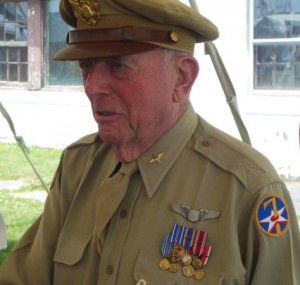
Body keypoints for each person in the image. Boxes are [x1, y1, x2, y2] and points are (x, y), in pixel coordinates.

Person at [0, 0, 299, 284]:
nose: (92, 88)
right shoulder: (78, 166)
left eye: (117, 66)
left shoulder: (249, 191)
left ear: (181, 77)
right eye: (86, 66)